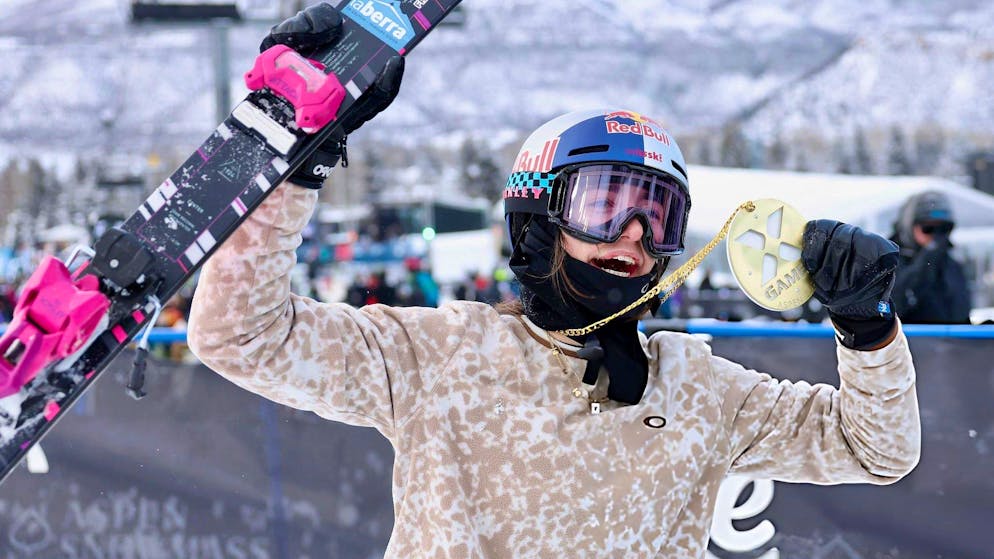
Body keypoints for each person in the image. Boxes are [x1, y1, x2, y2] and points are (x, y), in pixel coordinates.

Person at [188, 4, 920, 556]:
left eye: (657, 216)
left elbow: (876, 449)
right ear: (538, 218)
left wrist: (868, 327)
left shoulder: (700, 387)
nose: (634, 237)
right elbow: (241, 336)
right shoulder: (440, 356)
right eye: (607, 206)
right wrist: (295, 157)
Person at [889, 190, 972, 323]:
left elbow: (960, 314)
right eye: (928, 228)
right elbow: (896, 304)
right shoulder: (889, 261)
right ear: (910, 226)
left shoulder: (951, 265)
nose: (936, 237)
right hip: (909, 341)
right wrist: (927, 259)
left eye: (944, 229)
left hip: (945, 342)